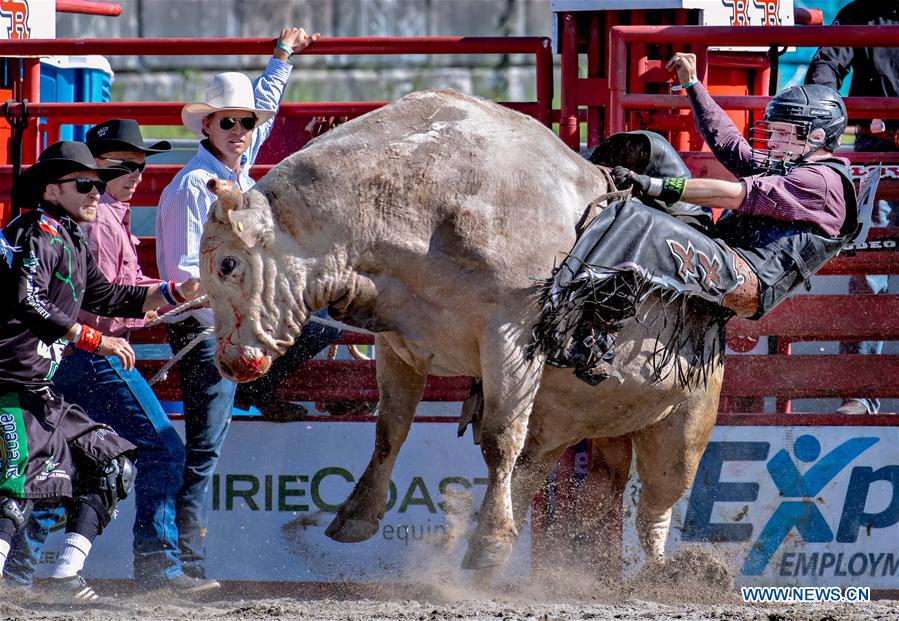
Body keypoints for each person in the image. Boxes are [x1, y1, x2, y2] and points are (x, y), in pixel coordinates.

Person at [530, 52, 858, 387]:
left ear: (816, 137)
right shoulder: (795, 163)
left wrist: (654, 186)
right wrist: (693, 85)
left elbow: (733, 195)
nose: (771, 140)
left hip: (747, 280)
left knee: (638, 219)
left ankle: (589, 335)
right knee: (653, 147)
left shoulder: (822, 182)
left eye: (781, 133)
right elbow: (732, 147)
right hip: (723, 250)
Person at [155, 27, 338, 581]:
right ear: (208, 126)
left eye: (244, 123)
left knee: (323, 321)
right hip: (206, 332)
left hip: (235, 324)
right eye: (227, 121)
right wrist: (238, 319)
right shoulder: (193, 189)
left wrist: (282, 55)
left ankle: (257, 384)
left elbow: (264, 101)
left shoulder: (229, 167)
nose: (240, 129)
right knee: (204, 450)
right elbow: (183, 275)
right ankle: (184, 564)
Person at [4, 120, 218, 593]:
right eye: (92, 180)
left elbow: (109, 294)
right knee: (156, 451)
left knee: (73, 466)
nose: (133, 175)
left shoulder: (79, 228)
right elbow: (34, 299)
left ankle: (28, 577)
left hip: (53, 366)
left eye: (140, 166)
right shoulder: (63, 228)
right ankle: (156, 567)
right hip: (58, 365)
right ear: (59, 187)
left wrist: (175, 291)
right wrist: (96, 339)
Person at [805, 1, 899, 416]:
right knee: (869, 268)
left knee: (871, 268)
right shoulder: (861, 12)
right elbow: (827, 66)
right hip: (877, 151)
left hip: (878, 140)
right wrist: (821, 105)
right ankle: (860, 392)